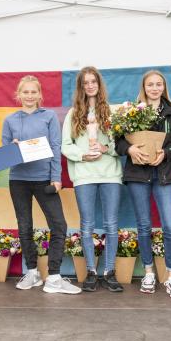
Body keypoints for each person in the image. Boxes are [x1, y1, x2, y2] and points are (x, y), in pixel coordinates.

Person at [3, 75, 81, 294]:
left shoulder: (48, 117)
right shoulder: (10, 120)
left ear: (40, 95)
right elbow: (5, 153)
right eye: (25, 92)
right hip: (18, 179)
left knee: (59, 225)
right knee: (24, 226)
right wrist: (13, 147)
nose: (29, 96)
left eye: (33, 92)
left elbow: (56, 148)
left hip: (44, 179)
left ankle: (54, 277)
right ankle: (32, 272)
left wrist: (56, 178)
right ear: (19, 95)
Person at [116, 70, 171, 299]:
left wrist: (165, 153)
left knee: (169, 226)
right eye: (150, 85)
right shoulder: (131, 111)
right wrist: (130, 149)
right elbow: (118, 142)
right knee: (144, 226)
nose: (155, 88)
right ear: (144, 88)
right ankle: (148, 272)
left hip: (164, 175)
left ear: (164, 87)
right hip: (138, 175)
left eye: (159, 84)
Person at [61, 66, 123, 292]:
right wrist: (82, 155)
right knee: (87, 225)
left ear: (99, 84)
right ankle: (91, 271)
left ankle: (109, 271)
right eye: (85, 82)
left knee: (111, 224)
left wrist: (107, 148)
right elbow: (65, 146)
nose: (90, 85)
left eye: (93, 81)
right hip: (84, 175)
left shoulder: (112, 112)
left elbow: (121, 145)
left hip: (110, 174)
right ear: (81, 86)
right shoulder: (72, 114)